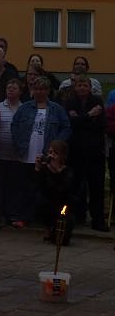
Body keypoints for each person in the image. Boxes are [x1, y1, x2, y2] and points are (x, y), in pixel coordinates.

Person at [9, 76, 71, 227]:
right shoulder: (24, 108)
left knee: (42, 189)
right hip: (25, 154)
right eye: (36, 89)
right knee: (24, 187)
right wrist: (18, 141)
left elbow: (66, 127)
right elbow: (14, 125)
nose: (39, 92)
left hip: (46, 155)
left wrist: (56, 145)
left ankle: (41, 218)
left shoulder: (56, 109)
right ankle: (24, 217)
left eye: (42, 89)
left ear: (48, 91)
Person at [63, 74, 108, 231]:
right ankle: (77, 216)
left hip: (95, 151)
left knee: (96, 186)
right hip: (75, 151)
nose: (82, 88)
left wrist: (81, 119)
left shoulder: (97, 101)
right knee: (75, 185)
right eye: (79, 85)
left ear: (90, 87)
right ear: (75, 87)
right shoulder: (70, 102)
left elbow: (101, 124)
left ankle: (98, 219)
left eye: (85, 85)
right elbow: (71, 123)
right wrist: (89, 116)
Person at [0, 78, 24, 227]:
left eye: (14, 88)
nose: (10, 90)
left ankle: (12, 214)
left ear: (20, 91)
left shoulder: (24, 109)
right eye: (8, 87)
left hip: (17, 156)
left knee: (14, 187)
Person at [34, 139, 74, 245]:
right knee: (41, 201)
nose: (51, 156)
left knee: (62, 238)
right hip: (47, 202)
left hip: (62, 203)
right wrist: (37, 169)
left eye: (55, 153)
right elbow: (38, 186)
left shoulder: (67, 171)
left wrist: (56, 171)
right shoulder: (45, 169)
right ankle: (47, 228)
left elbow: (62, 190)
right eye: (50, 152)